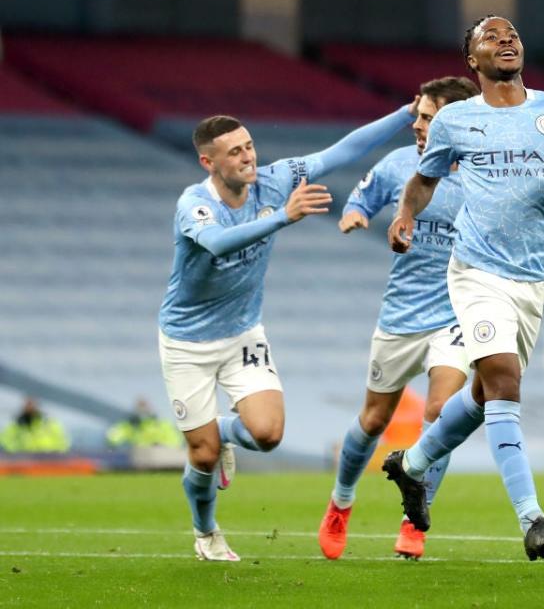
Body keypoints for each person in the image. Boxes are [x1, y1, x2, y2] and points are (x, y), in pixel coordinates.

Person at [382, 14, 544, 561]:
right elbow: (424, 178)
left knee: (484, 393)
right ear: (472, 60)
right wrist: (404, 215)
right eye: (491, 36)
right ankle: (532, 519)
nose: (506, 40)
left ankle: (412, 465)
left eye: (511, 34)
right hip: (476, 271)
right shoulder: (457, 120)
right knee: (504, 382)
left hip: (531, 279)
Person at [158, 101, 417, 562]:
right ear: (209, 163)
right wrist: (282, 217)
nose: (247, 156)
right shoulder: (194, 204)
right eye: (234, 152)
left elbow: (341, 151)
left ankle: (217, 434)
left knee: (267, 434)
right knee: (201, 457)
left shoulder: (275, 179)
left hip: (241, 333)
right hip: (187, 341)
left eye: (249, 145)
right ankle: (207, 533)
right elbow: (217, 242)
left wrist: (405, 114)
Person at [317, 76, 479, 561]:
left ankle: (415, 520)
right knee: (373, 420)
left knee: (439, 415)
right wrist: (357, 216)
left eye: (427, 117)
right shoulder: (398, 166)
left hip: (455, 313)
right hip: (402, 313)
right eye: (419, 115)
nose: (417, 124)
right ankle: (341, 503)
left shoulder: (482, 174)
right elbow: (360, 200)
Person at [106, 397, 182, 449]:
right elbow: (113, 438)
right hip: (138, 459)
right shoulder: (129, 425)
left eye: (144, 407)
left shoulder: (162, 424)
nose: (142, 411)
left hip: (160, 458)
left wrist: (159, 445)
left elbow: (175, 442)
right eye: (140, 407)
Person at [0, 397, 69, 453]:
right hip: (24, 460)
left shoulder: (49, 423)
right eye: (28, 404)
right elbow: (5, 441)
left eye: (32, 404)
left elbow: (63, 442)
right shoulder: (16, 424)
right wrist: (16, 451)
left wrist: (56, 454)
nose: (30, 407)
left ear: (37, 406)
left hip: (48, 460)